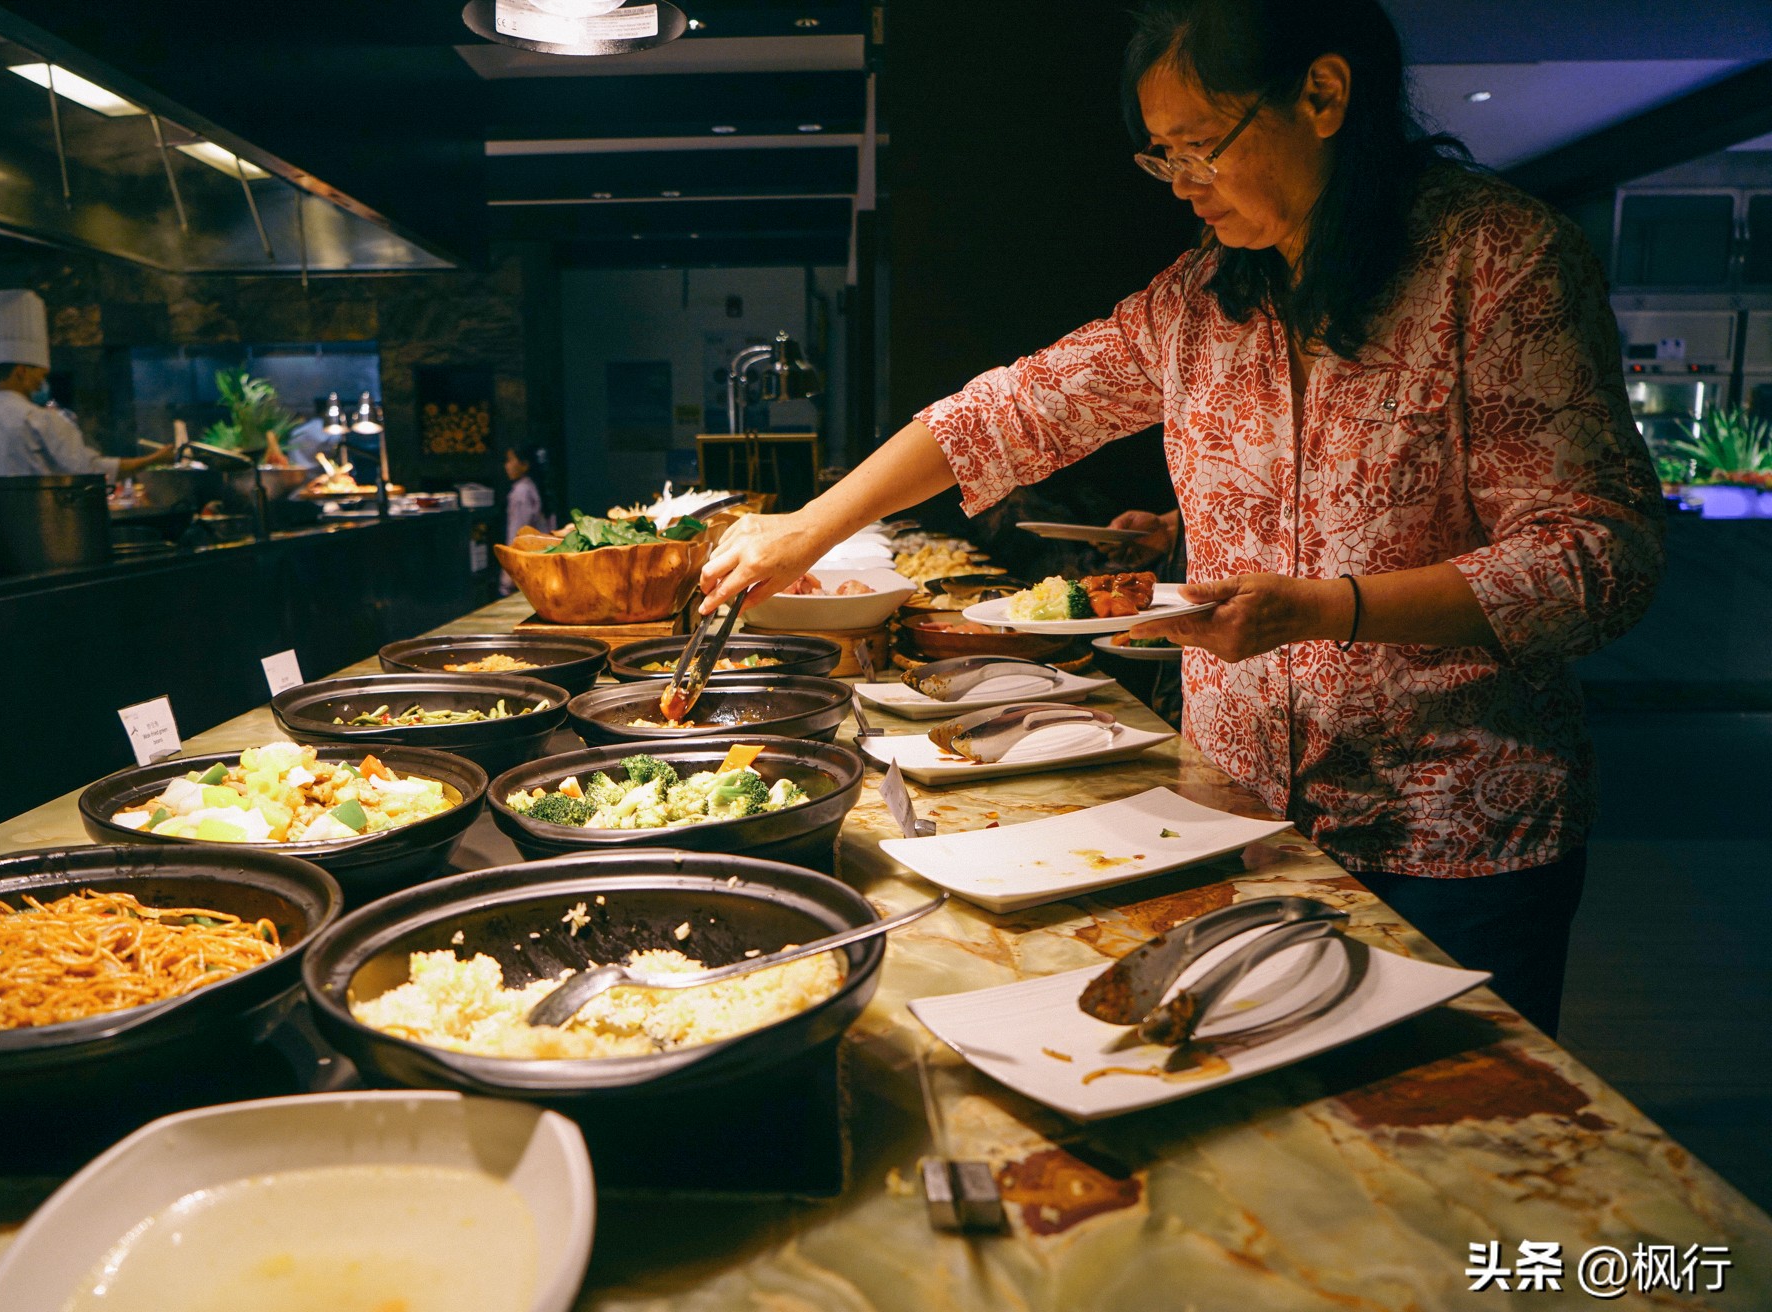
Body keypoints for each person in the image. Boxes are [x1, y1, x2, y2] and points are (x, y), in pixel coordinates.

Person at [699, 0, 1665, 1036]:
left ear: (1322, 94)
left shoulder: (1499, 263)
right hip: (1234, 812)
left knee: (1450, 1154)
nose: (1184, 185)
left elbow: (1597, 557)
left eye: (1200, 148)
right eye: (1162, 159)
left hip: (1449, 831)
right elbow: (1007, 411)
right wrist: (808, 524)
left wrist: (1324, 610)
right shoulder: (1199, 297)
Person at [0, 291, 168, 532]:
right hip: (50, 539)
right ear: (21, 372)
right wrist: (153, 459)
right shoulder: (42, 421)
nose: (41, 384)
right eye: (39, 376)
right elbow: (90, 470)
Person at [499, 446, 549, 595]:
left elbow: (517, 535)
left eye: (510, 460)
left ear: (524, 465)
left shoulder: (522, 492)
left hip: (525, 573)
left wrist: (508, 577)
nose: (506, 465)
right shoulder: (533, 488)